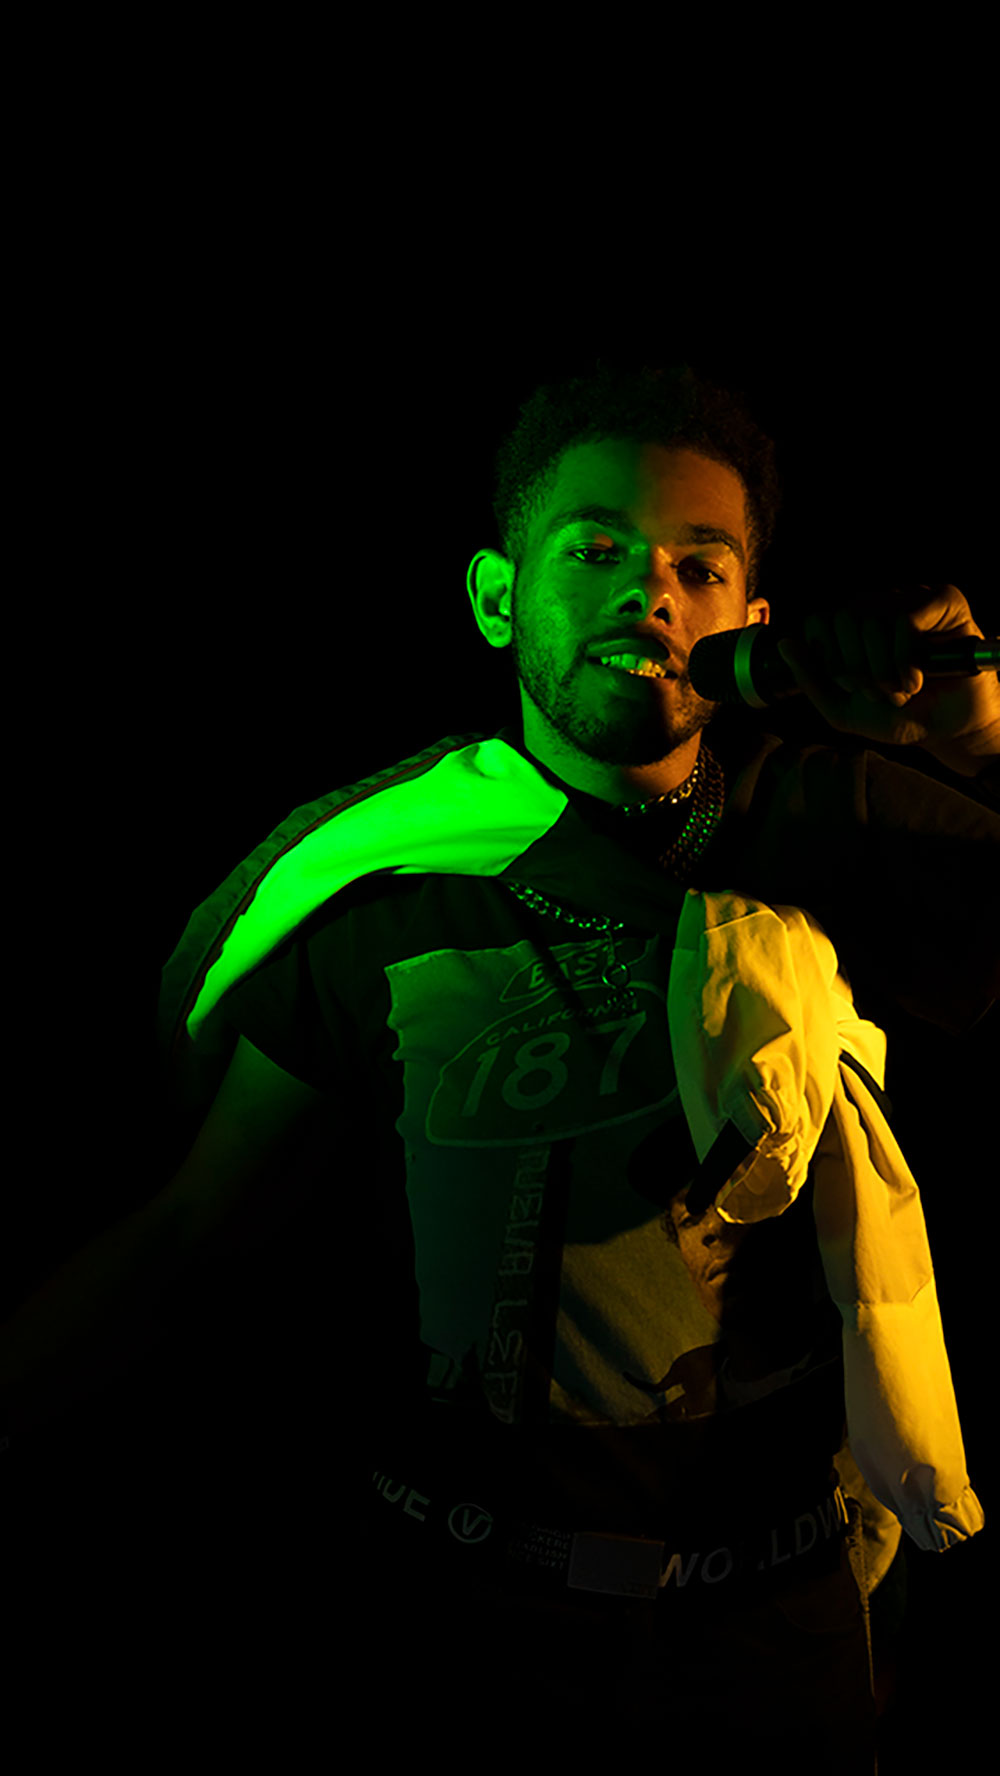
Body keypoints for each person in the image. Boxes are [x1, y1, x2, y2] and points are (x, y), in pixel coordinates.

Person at [4, 359, 997, 1771]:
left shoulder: (852, 834)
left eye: (697, 564)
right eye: (594, 548)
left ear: (752, 618)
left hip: (773, 1639)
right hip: (459, 1636)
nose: (647, 592)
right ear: (496, 596)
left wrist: (981, 740)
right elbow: (192, 1248)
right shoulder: (389, 886)